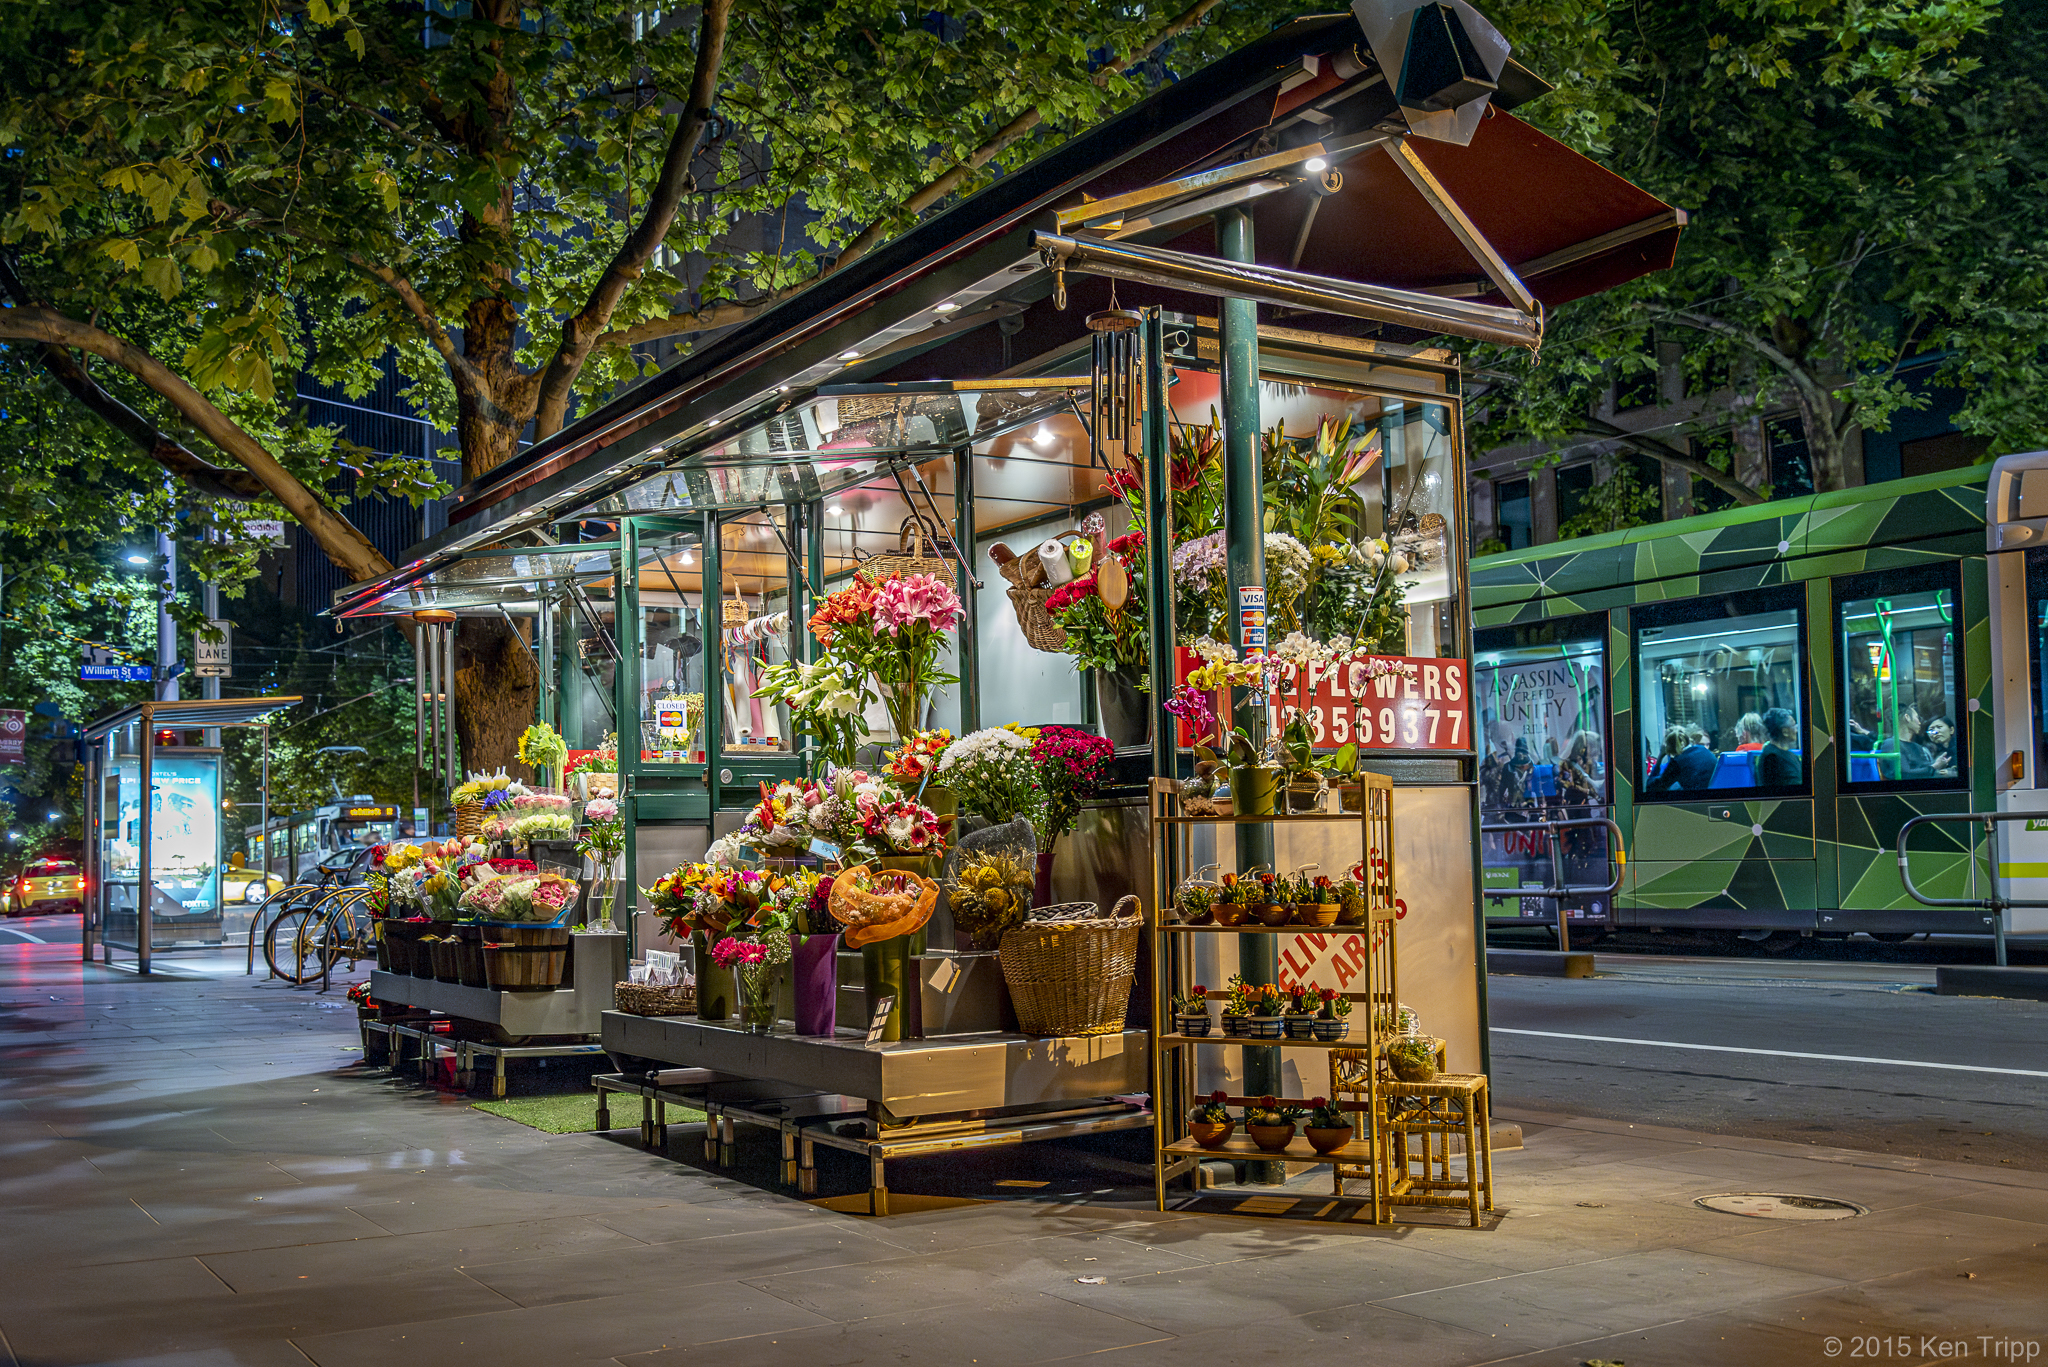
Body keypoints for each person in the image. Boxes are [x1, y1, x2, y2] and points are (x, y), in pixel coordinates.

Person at [1646, 723, 1715, 792]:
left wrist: (1660, 756)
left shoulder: (1677, 762)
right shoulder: (1703, 750)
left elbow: (1653, 787)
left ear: (1667, 748)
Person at [1757, 707, 1800, 786]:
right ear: (1785, 731)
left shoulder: (1791, 756)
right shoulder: (1771, 757)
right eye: (1794, 726)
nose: (1796, 730)